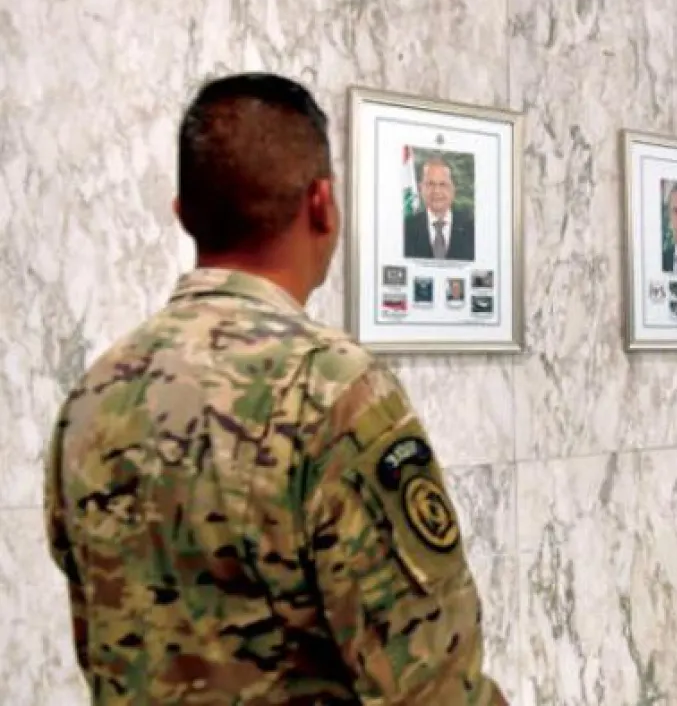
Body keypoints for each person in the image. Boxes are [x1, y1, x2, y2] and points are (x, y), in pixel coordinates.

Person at [43, 73, 509, 704]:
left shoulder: (92, 398)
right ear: (322, 204)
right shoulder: (334, 392)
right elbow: (432, 683)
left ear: (183, 216)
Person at [404, 155, 476, 261]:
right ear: (421, 188)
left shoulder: (472, 229)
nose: (436, 191)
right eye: (430, 184)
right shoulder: (406, 229)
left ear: (453, 189)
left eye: (443, 184)